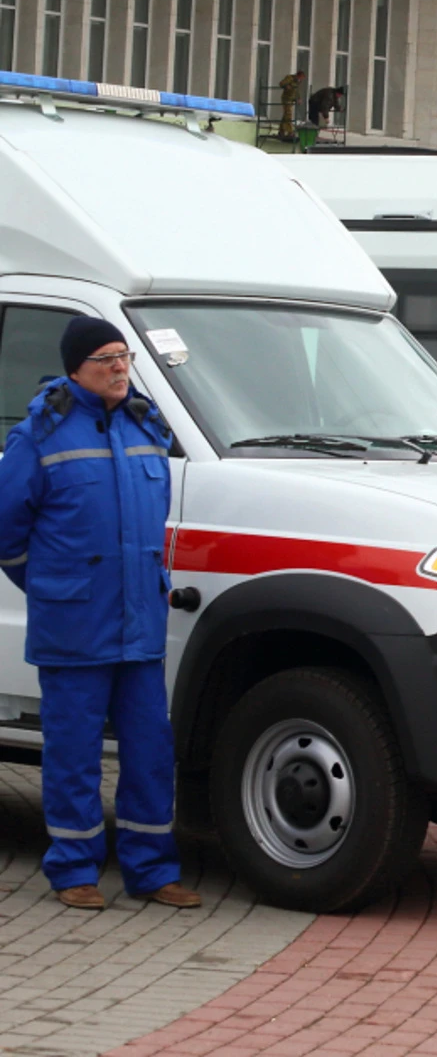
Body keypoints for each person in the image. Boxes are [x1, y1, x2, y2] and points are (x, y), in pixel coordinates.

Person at [0, 318, 199, 909]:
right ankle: (73, 872)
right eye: (106, 358)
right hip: (74, 626)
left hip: (139, 624)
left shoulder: (145, 425)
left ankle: (152, 870)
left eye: (124, 356)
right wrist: (53, 584)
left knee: (148, 751)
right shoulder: (41, 433)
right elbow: (7, 533)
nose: (119, 367)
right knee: (74, 754)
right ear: (75, 367)